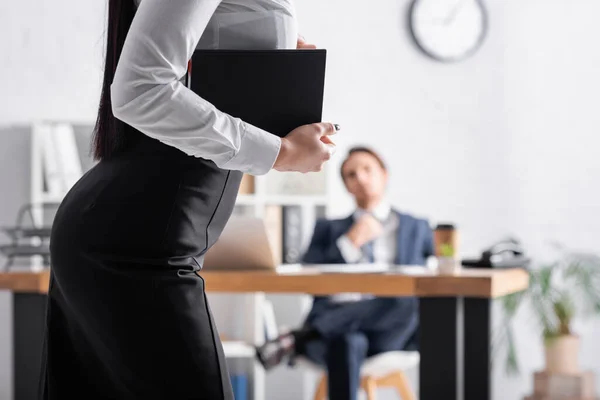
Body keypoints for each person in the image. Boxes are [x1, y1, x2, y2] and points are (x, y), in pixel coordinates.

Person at [39, 1, 339, 399]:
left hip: (130, 233)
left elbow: (195, 79)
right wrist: (279, 153)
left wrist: (276, 70)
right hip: (130, 245)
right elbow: (138, 90)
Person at [256, 146, 434, 400]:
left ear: (384, 174)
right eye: (351, 175)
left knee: (403, 298)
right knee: (348, 341)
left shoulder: (417, 227)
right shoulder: (328, 228)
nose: (360, 178)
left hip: (390, 329)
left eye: (366, 170)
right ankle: (317, 332)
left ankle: (303, 335)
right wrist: (350, 242)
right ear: (346, 186)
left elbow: (432, 277)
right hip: (337, 328)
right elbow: (307, 281)